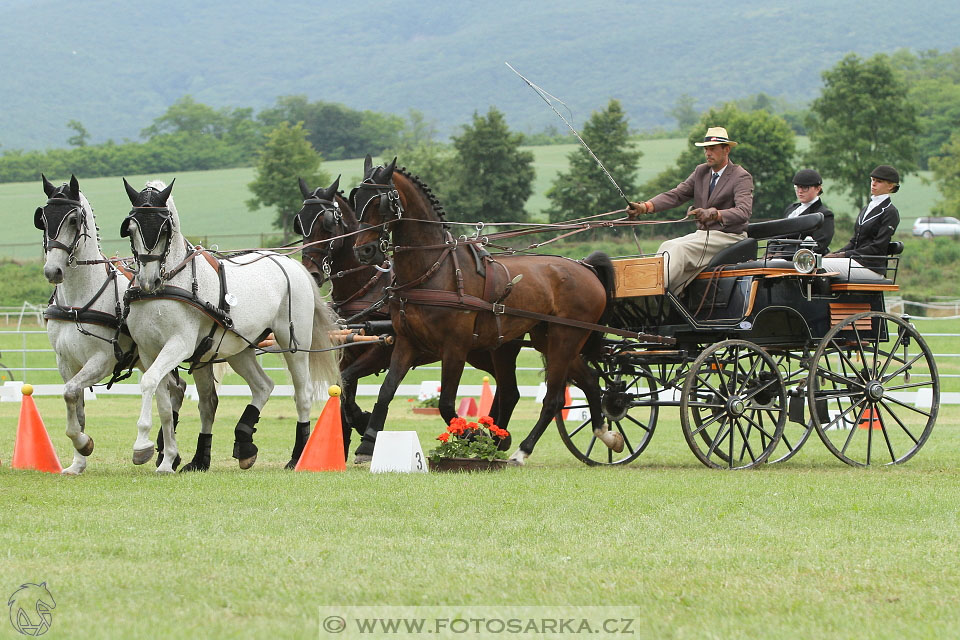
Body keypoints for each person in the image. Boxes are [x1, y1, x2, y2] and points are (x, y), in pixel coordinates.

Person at [628, 126, 753, 292]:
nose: (708, 153)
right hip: (703, 236)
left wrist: (715, 214)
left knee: (680, 249)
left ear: (726, 149)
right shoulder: (701, 171)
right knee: (667, 245)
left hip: (729, 236)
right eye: (706, 149)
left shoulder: (741, 176)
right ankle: (656, 291)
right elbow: (677, 195)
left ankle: (651, 292)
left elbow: (744, 212)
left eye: (713, 149)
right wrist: (645, 207)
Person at [821, 165, 900, 279]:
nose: (873, 184)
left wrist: (844, 255)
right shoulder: (866, 208)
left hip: (871, 266)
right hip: (856, 261)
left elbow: (878, 247)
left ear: (890, 186)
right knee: (817, 262)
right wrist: (834, 254)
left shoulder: (890, 212)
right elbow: (854, 241)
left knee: (821, 265)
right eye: (873, 180)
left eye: (879, 181)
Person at [777, 169, 834, 255]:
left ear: (818, 188)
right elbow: (778, 235)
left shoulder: (824, 214)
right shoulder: (790, 209)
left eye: (805, 188)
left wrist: (783, 252)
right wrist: (770, 252)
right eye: (797, 187)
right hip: (777, 257)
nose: (800, 191)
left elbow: (818, 246)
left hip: (801, 261)